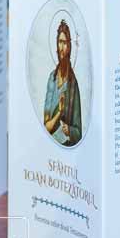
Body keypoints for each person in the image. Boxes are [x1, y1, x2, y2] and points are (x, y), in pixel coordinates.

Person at [42, 17, 83, 147]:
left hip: (65, 145)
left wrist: (69, 130)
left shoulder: (73, 85)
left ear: (69, 47)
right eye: (60, 42)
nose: (61, 47)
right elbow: (46, 126)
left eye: (65, 43)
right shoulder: (52, 79)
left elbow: (78, 132)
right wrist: (59, 113)